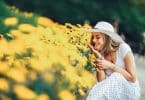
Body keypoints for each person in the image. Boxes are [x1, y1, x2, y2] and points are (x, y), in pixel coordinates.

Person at [86, 21, 141, 100]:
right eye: (93, 37)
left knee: (116, 76)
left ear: (107, 38)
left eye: (97, 37)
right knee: (103, 86)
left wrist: (110, 66)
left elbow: (132, 78)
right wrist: (98, 58)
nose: (94, 40)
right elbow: (101, 82)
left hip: (131, 89)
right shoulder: (101, 52)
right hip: (113, 90)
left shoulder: (123, 48)